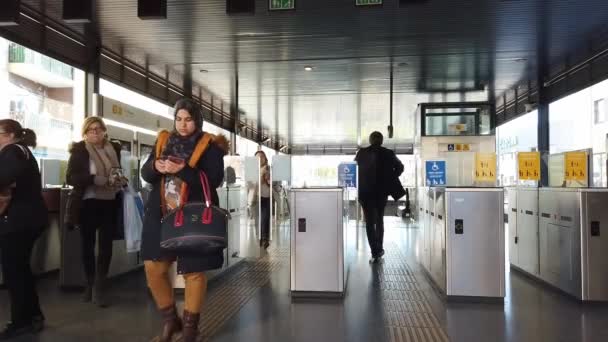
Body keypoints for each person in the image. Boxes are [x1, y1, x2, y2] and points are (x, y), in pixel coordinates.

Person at [141, 98, 228, 342]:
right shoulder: (163, 141)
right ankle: (171, 321)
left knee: (194, 271)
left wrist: (181, 169)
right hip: (160, 214)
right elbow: (146, 173)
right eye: (179, 119)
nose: (182, 124)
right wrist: (157, 166)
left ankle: (190, 329)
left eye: (188, 120)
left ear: (197, 121)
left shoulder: (210, 147)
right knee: (153, 267)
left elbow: (213, 180)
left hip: (193, 215)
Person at [66, 117, 125, 307]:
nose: (95, 132)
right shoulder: (79, 150)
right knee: (88, 245)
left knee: (106, 246)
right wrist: (95, 179)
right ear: (85, 132)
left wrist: (120, 180)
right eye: (91, 130)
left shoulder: (113, 149)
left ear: (104, 131)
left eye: (99, 129)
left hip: (109, 201)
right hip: (87, 203)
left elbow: (117, 171)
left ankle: (100, 284)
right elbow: (71, 177)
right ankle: (90, 283)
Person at [0, 120, 47, 339]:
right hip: (29, 219)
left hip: (19, 221)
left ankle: (21, 321)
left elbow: (4, 177)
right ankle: (33, 315)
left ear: (10, 134)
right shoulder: (22, 151)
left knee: (14, 271)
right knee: (21, 269)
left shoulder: (13, 151)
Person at [355, 131, 404, 262]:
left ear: (370, 140)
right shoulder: (388, 153)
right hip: (381, 193)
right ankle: (380, 248)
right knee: (380, 220)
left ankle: (375, 251)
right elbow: (400, 167)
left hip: (365, 193)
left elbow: (356, 170)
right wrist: (390, 177)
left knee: (370, 223)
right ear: (381, 141)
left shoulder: (362, 153)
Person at [255, 150, 271, 249]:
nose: (260, 159)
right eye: (258, 157)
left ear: (265, 159)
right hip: (255, 197)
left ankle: (265, 238)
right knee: (257, 219)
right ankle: (259, 238)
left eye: (262, 157)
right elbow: (255, 183)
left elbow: (270, 182)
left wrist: (266, 177)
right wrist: (261, 175)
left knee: (265, 218)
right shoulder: (253, 169)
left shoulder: (268, 169)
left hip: (265, 196)